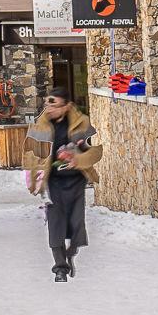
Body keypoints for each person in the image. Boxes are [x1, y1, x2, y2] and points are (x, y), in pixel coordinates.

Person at [25, 86, 102, 281]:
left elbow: (95, 152)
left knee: (76, 224)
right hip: (53, 183)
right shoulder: (40, 126)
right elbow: (29, 153)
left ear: (67, 106)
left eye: (55, 105)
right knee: (56, 224)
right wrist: (33, 176)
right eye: (48, 104)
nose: (50, 109)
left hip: (75, 181)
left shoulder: (80, 124)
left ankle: (71, 252)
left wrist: (78, 160)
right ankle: (60, 267)